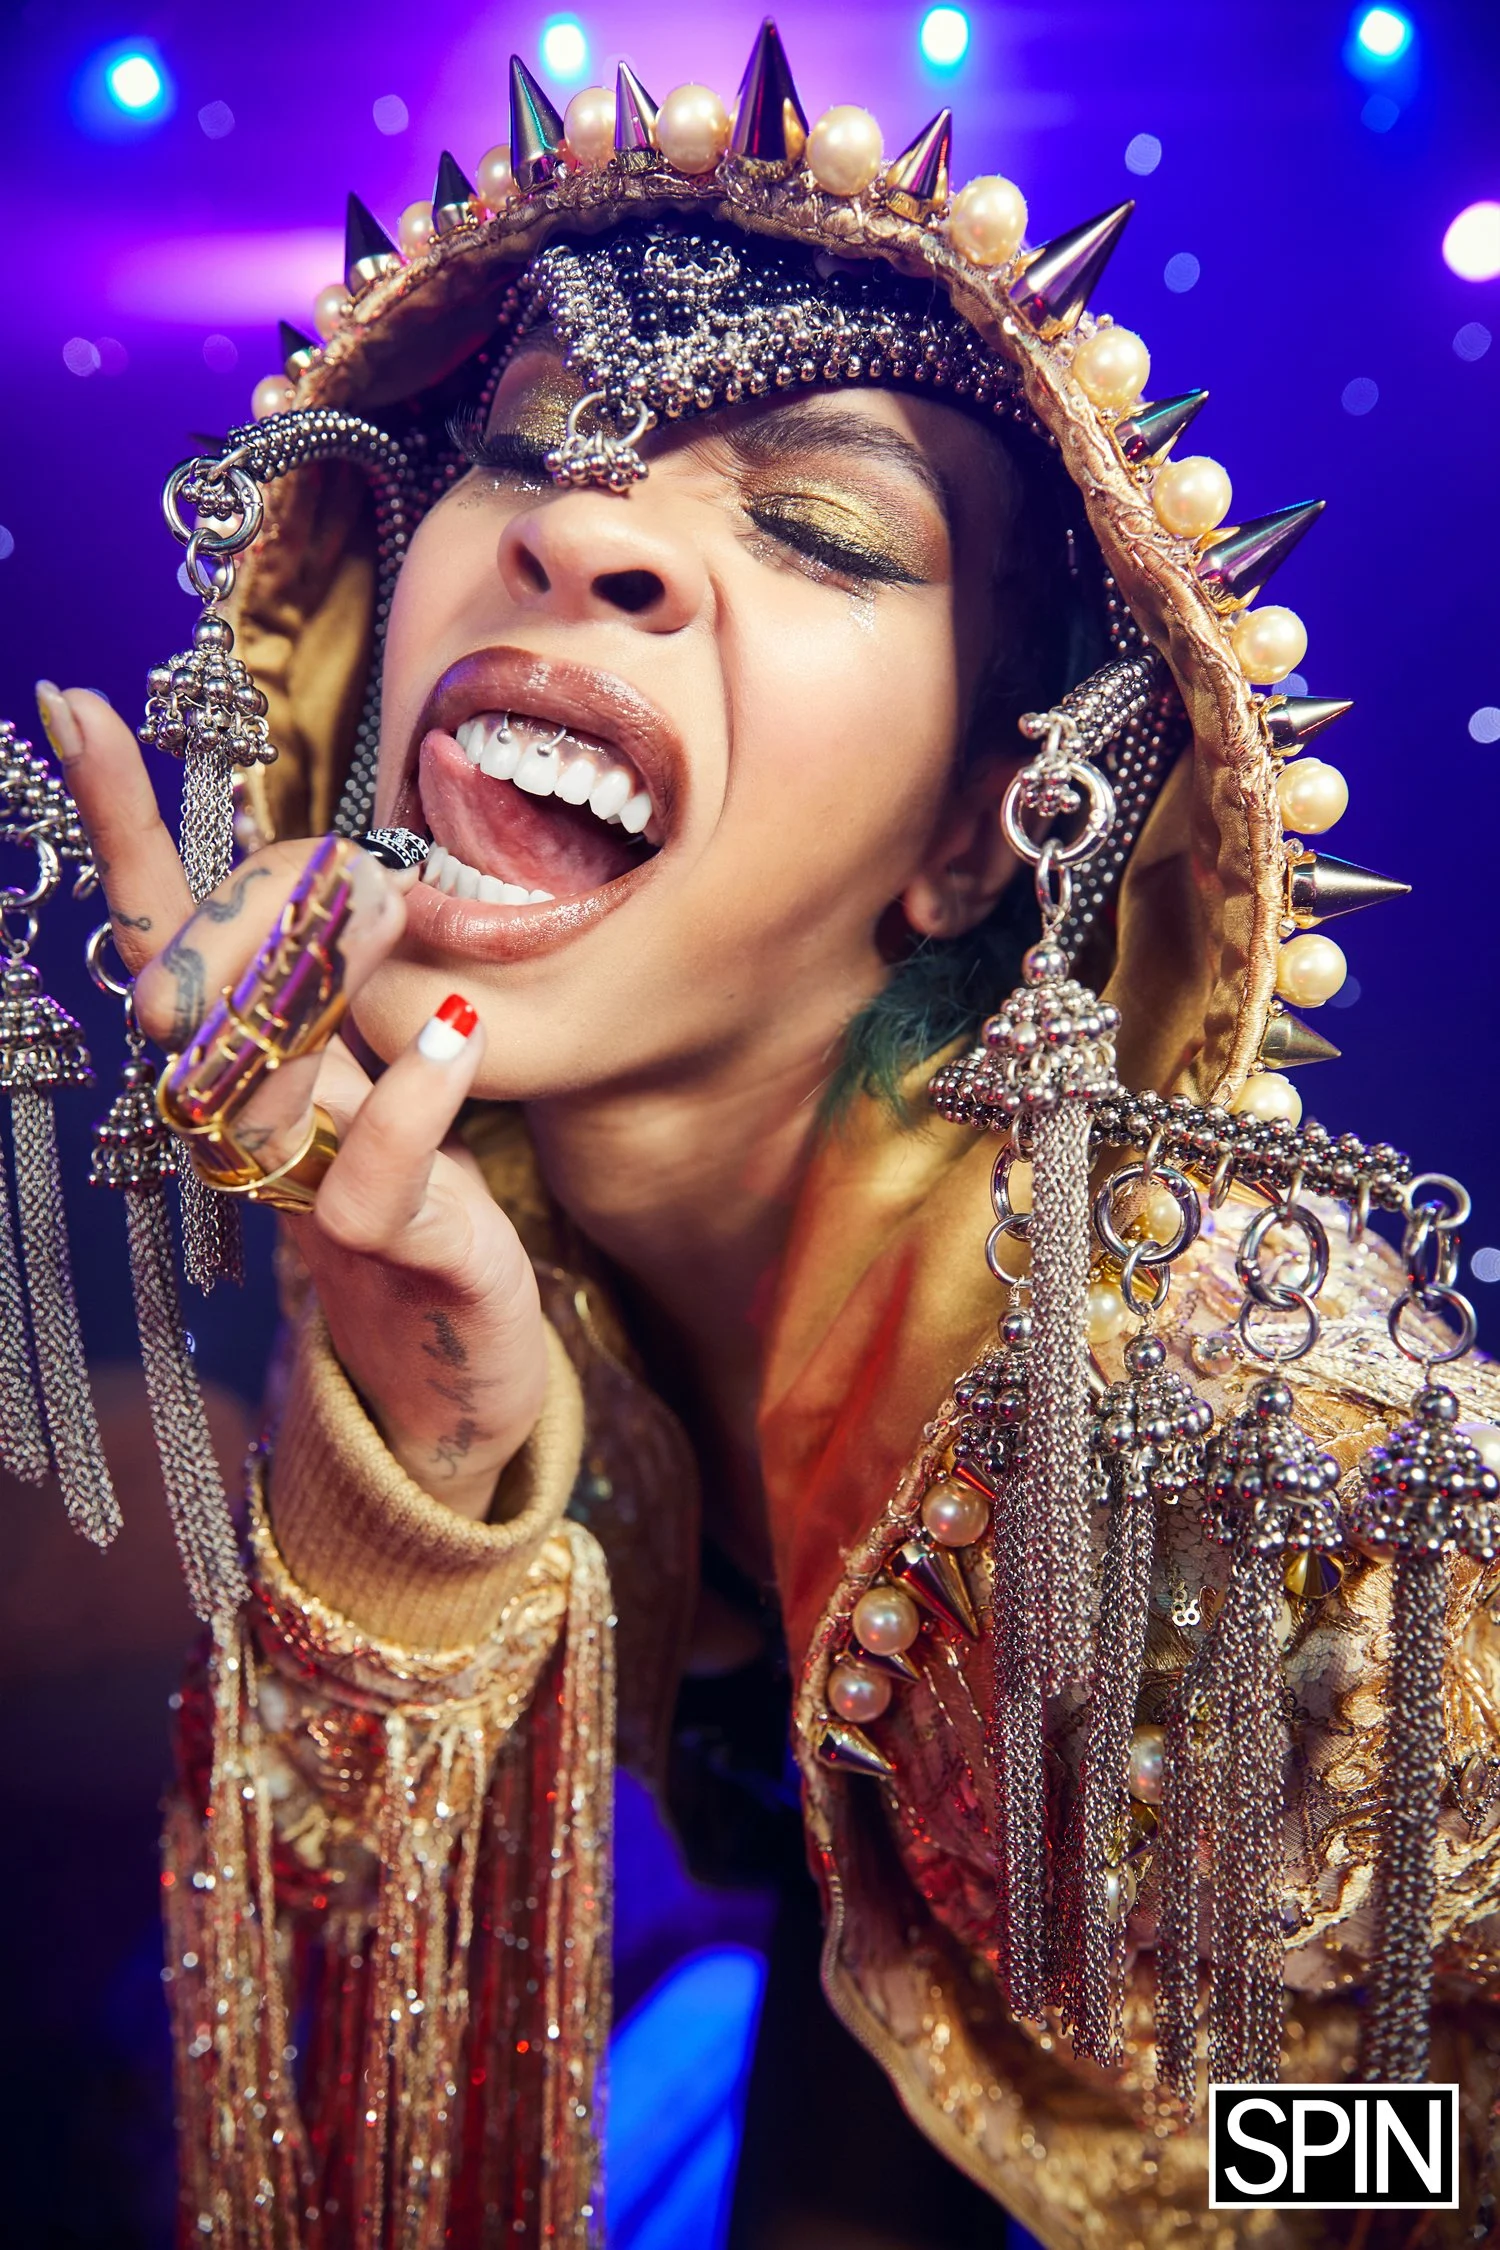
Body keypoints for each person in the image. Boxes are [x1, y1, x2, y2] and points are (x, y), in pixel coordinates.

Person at [25, 25, 1500, 2249]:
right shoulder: (503, 1252)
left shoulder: (1221, 1449)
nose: (587, 525)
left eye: (816, 524)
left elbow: (1454, 2154)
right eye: (523, 451)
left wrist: (1195, 2177)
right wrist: (407, 1456)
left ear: (984, 840)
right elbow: (351, 2109)